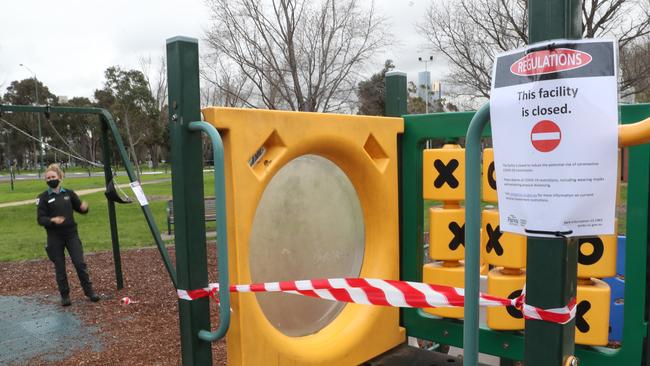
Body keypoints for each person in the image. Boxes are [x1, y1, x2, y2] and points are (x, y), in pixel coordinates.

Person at [36, 164, 100, 306]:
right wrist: (52, 220)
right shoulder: (43, 198)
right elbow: (40, 219)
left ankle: (89, 292)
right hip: (54, 237)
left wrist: (84, 207)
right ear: (45, 180)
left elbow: (80, 208)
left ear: (60, 177)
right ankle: (65, 295)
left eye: (53, 177)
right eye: (48, 178)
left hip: (71, 234)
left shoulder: (69, 194)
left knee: (79, 263)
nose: (51, 179)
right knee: (60, 266)